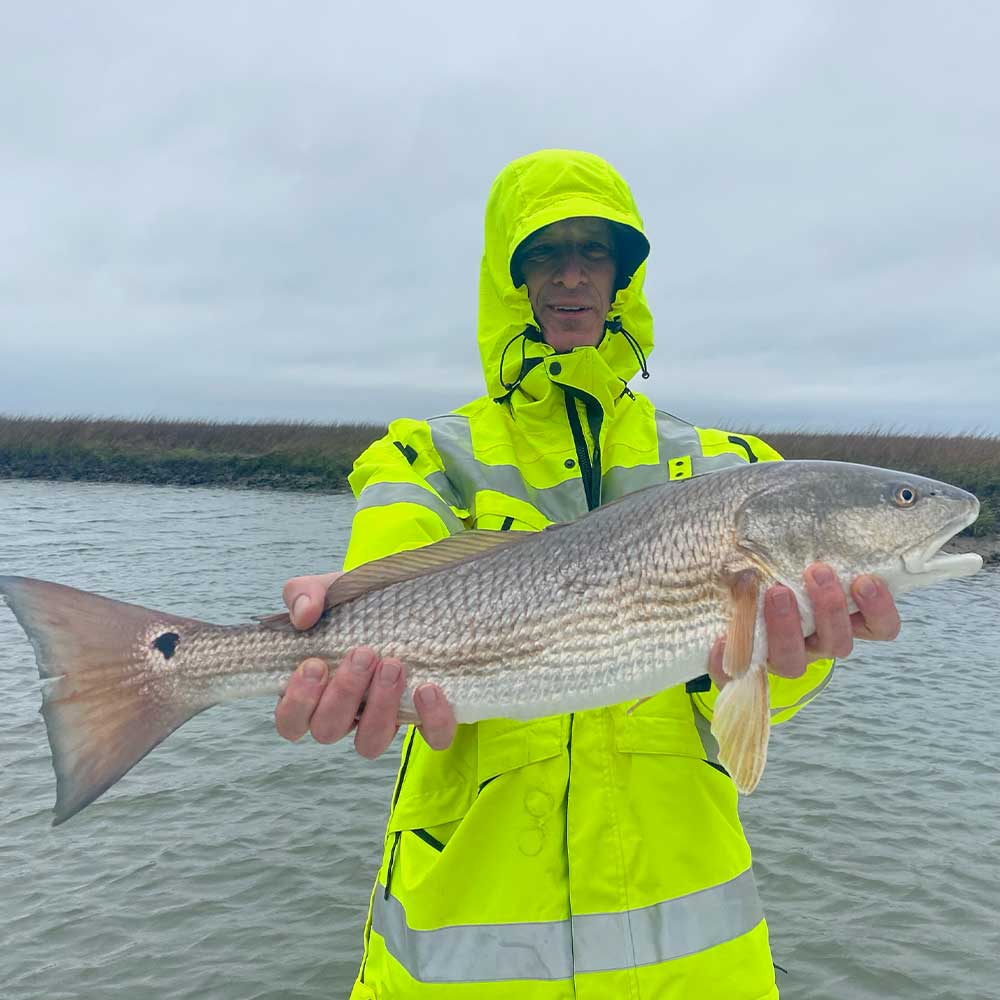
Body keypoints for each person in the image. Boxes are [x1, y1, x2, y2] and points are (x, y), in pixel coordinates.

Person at [275, 149, 901, 999]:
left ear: (622, 278)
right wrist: (338, 631)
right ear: (510, 278)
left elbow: (752, 700)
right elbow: (381, 590)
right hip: (459, 957)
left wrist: (801, 659)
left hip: (695, 970)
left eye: (594, 252)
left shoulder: (731, 467)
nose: (571, 275)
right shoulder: (423, 457)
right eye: (545, 252)